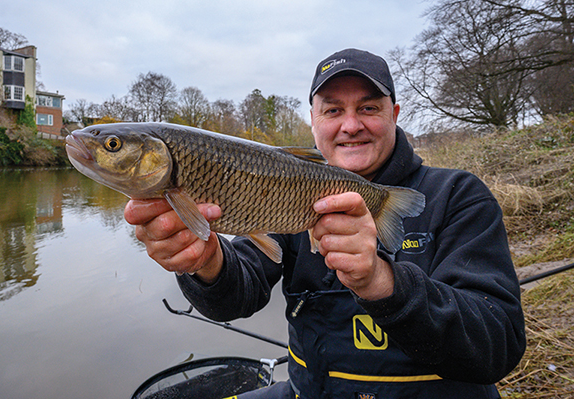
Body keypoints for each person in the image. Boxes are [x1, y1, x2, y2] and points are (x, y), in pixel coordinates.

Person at [124, 48, 526, 398]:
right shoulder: (287, 187)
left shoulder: (458, 194)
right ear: (314, 120)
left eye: (368, 108)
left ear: (395, 114)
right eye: (333, 110)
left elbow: (497, 347)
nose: (351, 125)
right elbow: (237, 298)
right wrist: (205, 262)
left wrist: (384, 283)